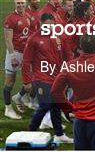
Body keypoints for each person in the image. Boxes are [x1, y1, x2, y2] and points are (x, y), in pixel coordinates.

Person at [51, 35, 95, 150]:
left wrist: (68, 107)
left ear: (81, 47)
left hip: (80, 122)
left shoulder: (70, 66)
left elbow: (55, 91)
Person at [22, 13, 73, 143]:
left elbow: (68, 56)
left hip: (57, 77)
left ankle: (59, 135)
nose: (50, 27)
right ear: (41, 24)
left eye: (52, 25)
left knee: (56, 105)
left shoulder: (60, 36)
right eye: (47, 25)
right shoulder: (33, 39)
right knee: (45, 105)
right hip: (42, 77)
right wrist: (27, 81)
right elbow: (26, 61)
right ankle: (30, 132)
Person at [3, 0, 32, 120]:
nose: (20, 5)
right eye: (18, 3)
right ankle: (8, 108)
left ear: (25, 3)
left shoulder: (27, 16)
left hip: (25, 53)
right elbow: (8, 40)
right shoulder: (10, 19)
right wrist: (13, 56)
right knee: (10, 80)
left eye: (22, 3)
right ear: (14, 4)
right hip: (14, 53)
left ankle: (19, 96)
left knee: (30, 80)